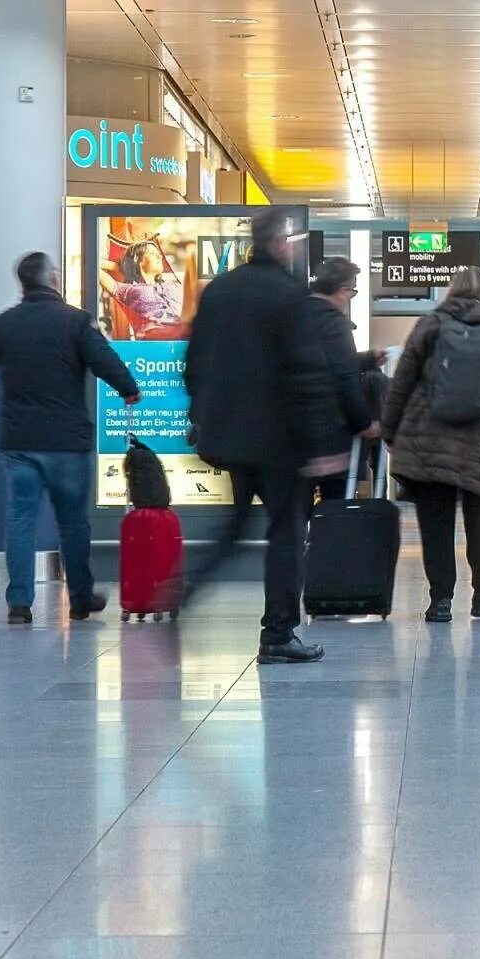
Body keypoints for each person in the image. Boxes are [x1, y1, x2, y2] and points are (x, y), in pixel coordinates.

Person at [188, 208, 330, 665]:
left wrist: (208, 416)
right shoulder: (289, 295)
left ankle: (181, 593)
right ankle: (278, 633)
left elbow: (193, 363)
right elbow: (304, 374)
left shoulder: (220, 291)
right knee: (286, 534)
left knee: (234, 526)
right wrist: (317, 444)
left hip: (230, 437)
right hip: (279, 441)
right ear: (279, 243)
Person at [0, 251, 140, 625]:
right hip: (66, 440)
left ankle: (19, 603)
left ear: (23, 282)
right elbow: (104, 359)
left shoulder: (3, 324)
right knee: (72, 522)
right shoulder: (76, 322)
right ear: (52, 279)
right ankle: (81, 599)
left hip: (19, 439)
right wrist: (128, 388)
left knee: (20, 519)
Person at [383, 265, 480, 623]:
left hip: (429, 437)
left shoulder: (430, 324)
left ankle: (441, 601)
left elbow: (402, 380)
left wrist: (390, 430)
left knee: (435, 522)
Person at [292, 258, 378, 512]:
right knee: (332, 513)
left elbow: (315, 364)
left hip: (290, 435)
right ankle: (325, 551)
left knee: (295, 516)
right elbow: (344, 375)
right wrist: (364, 423)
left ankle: (298, 551)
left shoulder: (292, 316)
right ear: (343, 289)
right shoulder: (334, 323)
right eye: (352, 291)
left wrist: (369, 358)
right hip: (327, 436)